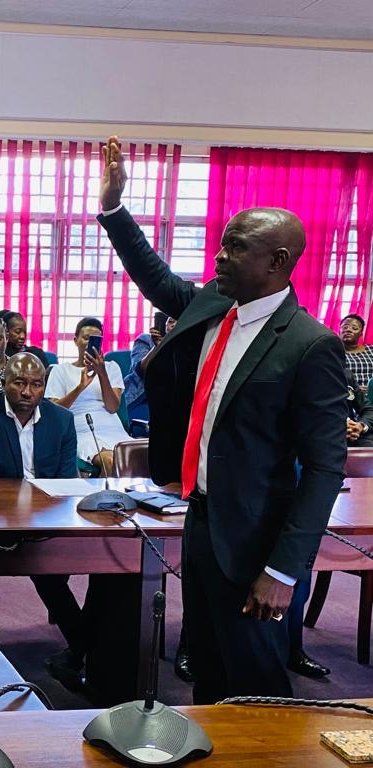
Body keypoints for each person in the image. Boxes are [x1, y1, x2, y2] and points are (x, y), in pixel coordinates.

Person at [98, 135, 346, 703]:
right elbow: (156, 278)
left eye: (235, 247)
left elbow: (326, 469)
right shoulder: (215, 304)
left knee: (256, 684)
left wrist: (283, 571)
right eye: (222, 244)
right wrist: (114, 210)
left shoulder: (310, 346)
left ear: (277, 261)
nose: (219, 256)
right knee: (207, 672)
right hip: (203, 520)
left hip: (258, 543)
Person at [0, 354, 91, 686]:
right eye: (19, 383)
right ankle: (86, 649)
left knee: (106, 563)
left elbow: (66, 482)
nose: (28, 392)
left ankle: (87, 650)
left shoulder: (61, 419)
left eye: (36, 385)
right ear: (4, 382)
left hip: (47, 521)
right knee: (42, 567)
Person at [44, 317, 129, 475]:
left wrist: (102, 373)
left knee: (136, 458)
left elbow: (112, 407)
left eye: (95, 340)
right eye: (86, 338)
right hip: (82, 430)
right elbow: (53, 412)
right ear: (75, 340)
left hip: (113, 428)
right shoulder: (60, 370)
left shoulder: (111, 368)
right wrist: (80, 387)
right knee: (111, 461)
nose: (90, 344)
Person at [124, 314, 178, 436]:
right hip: (142, 398)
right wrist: (158, 346)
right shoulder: (145, 340)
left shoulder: (184, 344)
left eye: (177, 322)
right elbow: (141, 370)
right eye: (170, 321)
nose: (173, 325)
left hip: (170, 399)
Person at [340, 314, 373, 395]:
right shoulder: (334, 353)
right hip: (347, 396)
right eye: (345, 327)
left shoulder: (371, 350)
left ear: (361, 333)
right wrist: (355, 390)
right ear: (339, 331)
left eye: (354, 328)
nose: (348, 330)